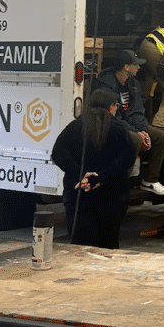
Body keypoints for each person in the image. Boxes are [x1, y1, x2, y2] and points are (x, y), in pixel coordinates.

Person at [51, 89, 136, 249]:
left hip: (79, 195)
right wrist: (100, 178)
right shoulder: (118, 129)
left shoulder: (74, 127)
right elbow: (128, 158)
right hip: (112, 196)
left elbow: (58, 154)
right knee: (108, 246)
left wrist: (81, 176)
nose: (116, 108)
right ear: (110, 106)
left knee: (81, 249)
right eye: (115, 105)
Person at [93, 49, 164, 196]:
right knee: (134, 139)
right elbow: (112, 118)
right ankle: (120, 184)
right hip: (108, 126)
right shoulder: (106, 85)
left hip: (128, 125)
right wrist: (136, 133)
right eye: (136, 65)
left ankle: (150, 181)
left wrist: (143, 130)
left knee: (161, 137)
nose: (139, 68)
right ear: (127, 67)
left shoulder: (133, 83)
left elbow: (137, 111)